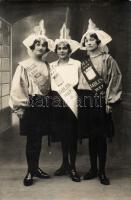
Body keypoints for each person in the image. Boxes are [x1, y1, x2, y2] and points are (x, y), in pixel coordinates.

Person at [76, 19, 122, 185]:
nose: (88, 42)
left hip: (100, 100)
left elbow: (114, 80)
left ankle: (102, 171)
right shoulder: (83, 63)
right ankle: (93, 169)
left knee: (100, 137)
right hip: (85, 101)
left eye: (92, 39)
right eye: (86, 40)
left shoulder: (107, 59)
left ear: (98, 42)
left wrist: (110, 101)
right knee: (91, 136)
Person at [9, 20, 54, 186]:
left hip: (45, 104)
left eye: (44, 45)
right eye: (38, 45)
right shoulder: (24, 66)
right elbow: (17, 87)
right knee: (32, 140)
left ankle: (36, 168)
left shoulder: (48, 65)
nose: (41, 48)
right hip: (32, 103)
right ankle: (30, 171)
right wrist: (20, 107)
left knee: (39, 138)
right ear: (32, 47)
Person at [50, 23, 81, 182]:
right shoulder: (51, 66)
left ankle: (73, 167)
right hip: (57, 102)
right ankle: (64, 164)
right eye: (59, 48)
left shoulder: (77, 64)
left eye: (65, 48)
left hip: (72, 101)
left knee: (72, 136)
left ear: (70, 50)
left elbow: (81, 84)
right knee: (62, 135)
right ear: (56, 51)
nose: (62, 50)